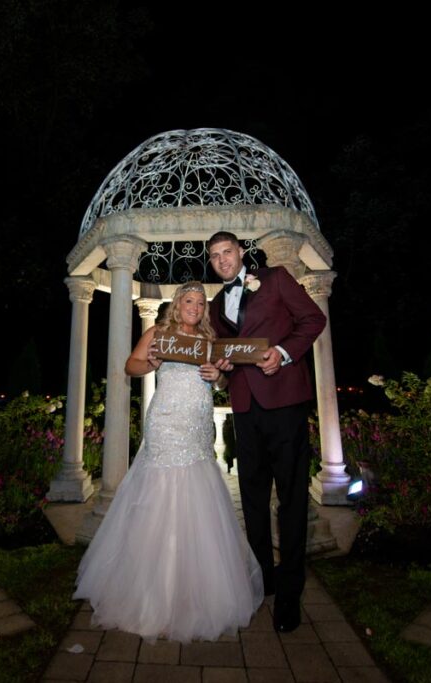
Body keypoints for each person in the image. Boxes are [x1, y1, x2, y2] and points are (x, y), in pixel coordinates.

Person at [73, 280, 264, 643]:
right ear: (177, 304)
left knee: (198, 499)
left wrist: (218, 376)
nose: (194, 306)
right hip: (165, 424)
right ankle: (151, 597)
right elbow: (130, 366)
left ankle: (197, 592)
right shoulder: (159, 333)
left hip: (197, 427)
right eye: (188, 300)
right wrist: (151, 361)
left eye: (199, 302)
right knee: (160, 497)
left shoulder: (210, 342)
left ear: (204, 309)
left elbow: (223, 382)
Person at [207, 231, 326, 633]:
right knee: (254, 500)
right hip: (244, 408)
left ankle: (290, 594)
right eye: (215, 257)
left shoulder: (274, 278)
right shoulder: (216, 304)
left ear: (241, 252)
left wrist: (285, 353)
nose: (222, 261)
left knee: (291, 498)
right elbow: (227, 352)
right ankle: (264, 581)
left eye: (227, 252)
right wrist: (223, 367)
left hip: (285, 402)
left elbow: (314, 319)